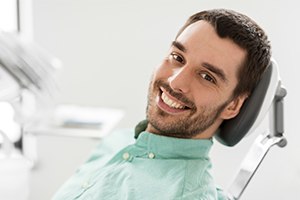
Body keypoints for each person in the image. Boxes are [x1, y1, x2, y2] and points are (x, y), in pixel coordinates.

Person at [52, 8, 271, 200]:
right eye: (177, 57)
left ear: (233, 106)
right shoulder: (117, 141)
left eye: (207, 77)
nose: (176, 82)